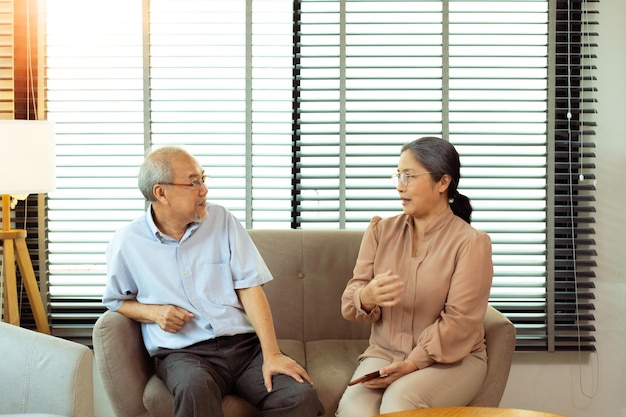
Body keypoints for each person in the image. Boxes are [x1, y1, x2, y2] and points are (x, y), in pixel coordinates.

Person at [103, 146, 324, 417]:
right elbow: (116, 300)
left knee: (298, 397)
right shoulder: (127, 242)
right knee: (194, 390)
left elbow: (250, 287)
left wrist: (272, 354)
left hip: (244, 346)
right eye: (194, 182)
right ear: (161, 193)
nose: (204, 190)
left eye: (203, 180)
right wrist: (154, 312)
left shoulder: (222, 220)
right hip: (184, 355)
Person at [335, 136, 493, 416]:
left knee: (400, 402)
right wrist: (367, 296)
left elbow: (459, 322)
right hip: (384, 353)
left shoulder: (471, 243)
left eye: (409, 176)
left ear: (443, 182)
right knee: (353, 410)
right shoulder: (380, 231)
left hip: (451, 359)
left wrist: (412, 363)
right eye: (398, 175)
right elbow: (350, 303)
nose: (399, 186)